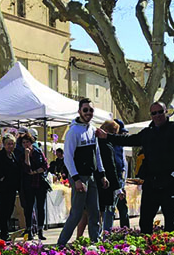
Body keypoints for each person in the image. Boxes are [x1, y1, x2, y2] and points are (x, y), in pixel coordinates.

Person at [99, 101, 174, 234]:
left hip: (169, 181)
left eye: (160, 112)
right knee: (145, 221)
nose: (158, 115)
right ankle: (147, 248)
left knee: (170, 221)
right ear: (151, 115)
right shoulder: (147, 133)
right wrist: (107, 136)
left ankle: (169, 249)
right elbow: (128, 140)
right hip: (151, 181)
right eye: (154, 113)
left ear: (166, 112)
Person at [58, 98, 107, 246]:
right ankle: (61, 244)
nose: (88, 113)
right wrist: (76, 179)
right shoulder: (73, 131)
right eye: (85, 110)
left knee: (95, 212)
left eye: (91, 110)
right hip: (79, 177)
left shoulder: (92, 129)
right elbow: (68, 158)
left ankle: (95, 243)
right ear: (79, 111)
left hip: (91, 176)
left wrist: (102, 174)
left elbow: (97, 153)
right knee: (77, 213)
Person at [0, 134, 21, 240]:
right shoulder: (0, 155)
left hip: (12, 186)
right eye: (8, 144)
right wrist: (0, 176)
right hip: (3, 187)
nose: (10, 146)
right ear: (4, 145)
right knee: (4, 210)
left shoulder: (13, 155)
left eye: (12, 144)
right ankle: (4, 233)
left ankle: (6, 231)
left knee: (10, 209)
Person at [19, 130, 49, 240]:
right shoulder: (22, 155)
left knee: (40, 207)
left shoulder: (38, 152)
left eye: (27, 142)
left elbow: (45, 166)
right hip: (28, 184)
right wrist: (27, 156)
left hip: (39, 183)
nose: (26, 144)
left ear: (31, 142)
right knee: (29, 207)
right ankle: (29, 230)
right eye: (24, 143)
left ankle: (40, 230)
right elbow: (27, 168)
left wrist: (36, 171)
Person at [96, 119, 123, 234]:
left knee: (97, 211)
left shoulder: (97, 143)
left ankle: (99, 234)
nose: (115, 135)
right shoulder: (106, 145)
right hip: (106, 182)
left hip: (100, 180)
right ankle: (104, 234)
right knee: (105, 210)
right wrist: (117, 187)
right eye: (114, 132)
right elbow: (110, 166)